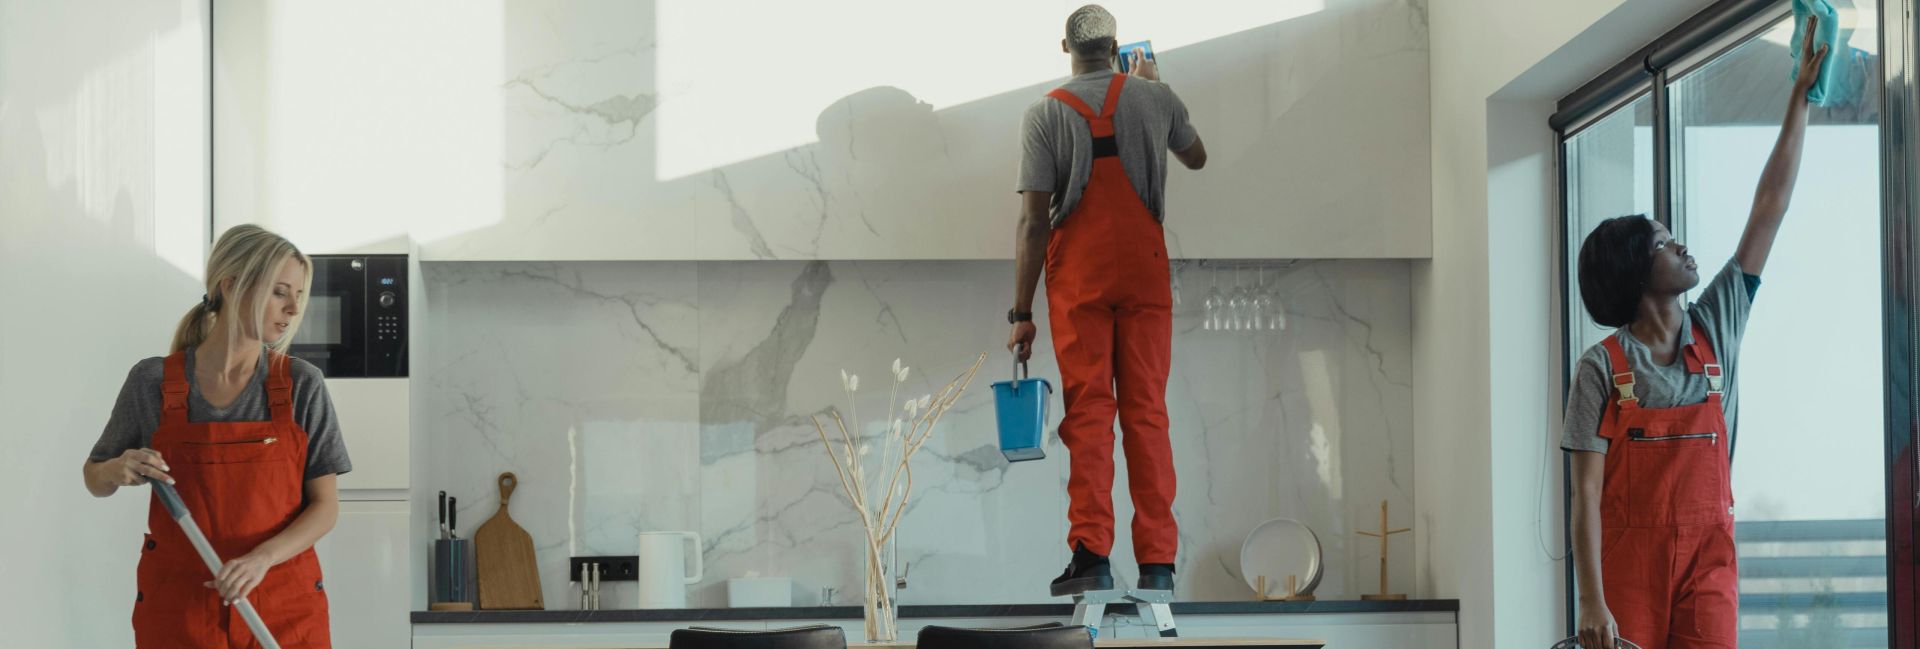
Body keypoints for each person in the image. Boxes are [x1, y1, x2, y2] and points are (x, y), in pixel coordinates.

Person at [1564, 19, 1827, 649]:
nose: (1680, 245)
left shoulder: (1717, 326)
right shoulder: (1601, 369)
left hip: (1708, 565)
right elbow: (1585, 496)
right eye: (1662, 241)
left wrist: (1799, 98)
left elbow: (1771, 206)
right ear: (1636, 272)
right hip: (1626, 580)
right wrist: (1592, 603)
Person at [1006, 4, 1208, 596]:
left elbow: (1031, 223)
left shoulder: (1044, 114)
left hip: (1079, 279)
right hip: (1144, 271)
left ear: (1063, 46)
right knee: (1147, 410)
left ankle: (1091, 554)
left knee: (1089, 413)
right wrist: (1154, 89)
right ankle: (1158, 563)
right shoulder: (1157, 96)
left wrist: (1021, 313)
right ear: (1117, 46)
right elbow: (1197, 156)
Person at [83, 224, 352, 648]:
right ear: (231, 285)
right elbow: (94, 477)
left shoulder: (301, 385)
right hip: (180, 609)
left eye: (298, 296)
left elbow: (325, 507)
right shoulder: (153, 381)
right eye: (280, 291)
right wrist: (120, 468)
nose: (292, 309)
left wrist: (261, 559)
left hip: (281, 606)